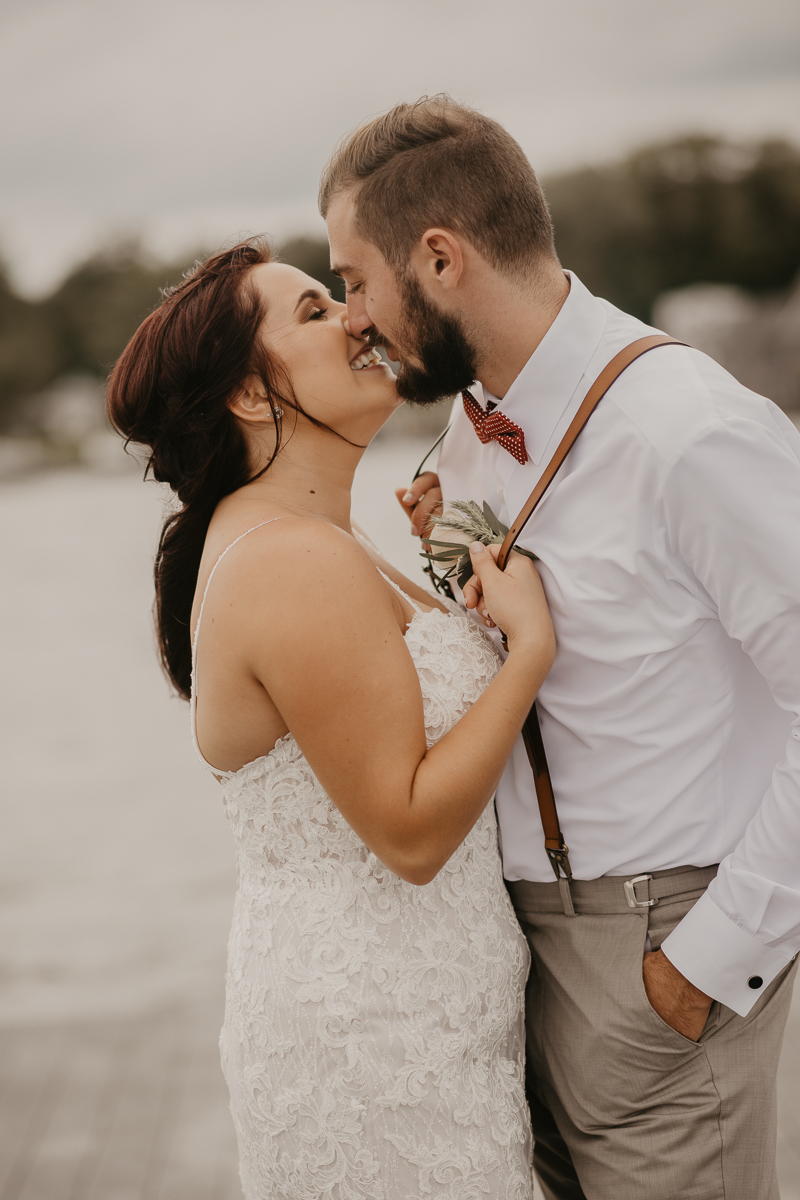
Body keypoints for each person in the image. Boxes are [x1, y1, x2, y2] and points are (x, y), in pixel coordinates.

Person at [322, 95, 800, 1199]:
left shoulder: (691, 430)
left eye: (353, 279)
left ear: (437, 259)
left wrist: (708, 962)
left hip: (665, 950)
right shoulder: (465, 435)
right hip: (511, 968)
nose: (351, 316)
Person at [106, 238, 555, 1199]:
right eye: (313, 313)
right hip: (378, 1057)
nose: (358, 317)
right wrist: (529, 654)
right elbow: (408, 828)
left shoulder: (325, 539)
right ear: (251, 396)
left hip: (425, 1026)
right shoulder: (292, 563)